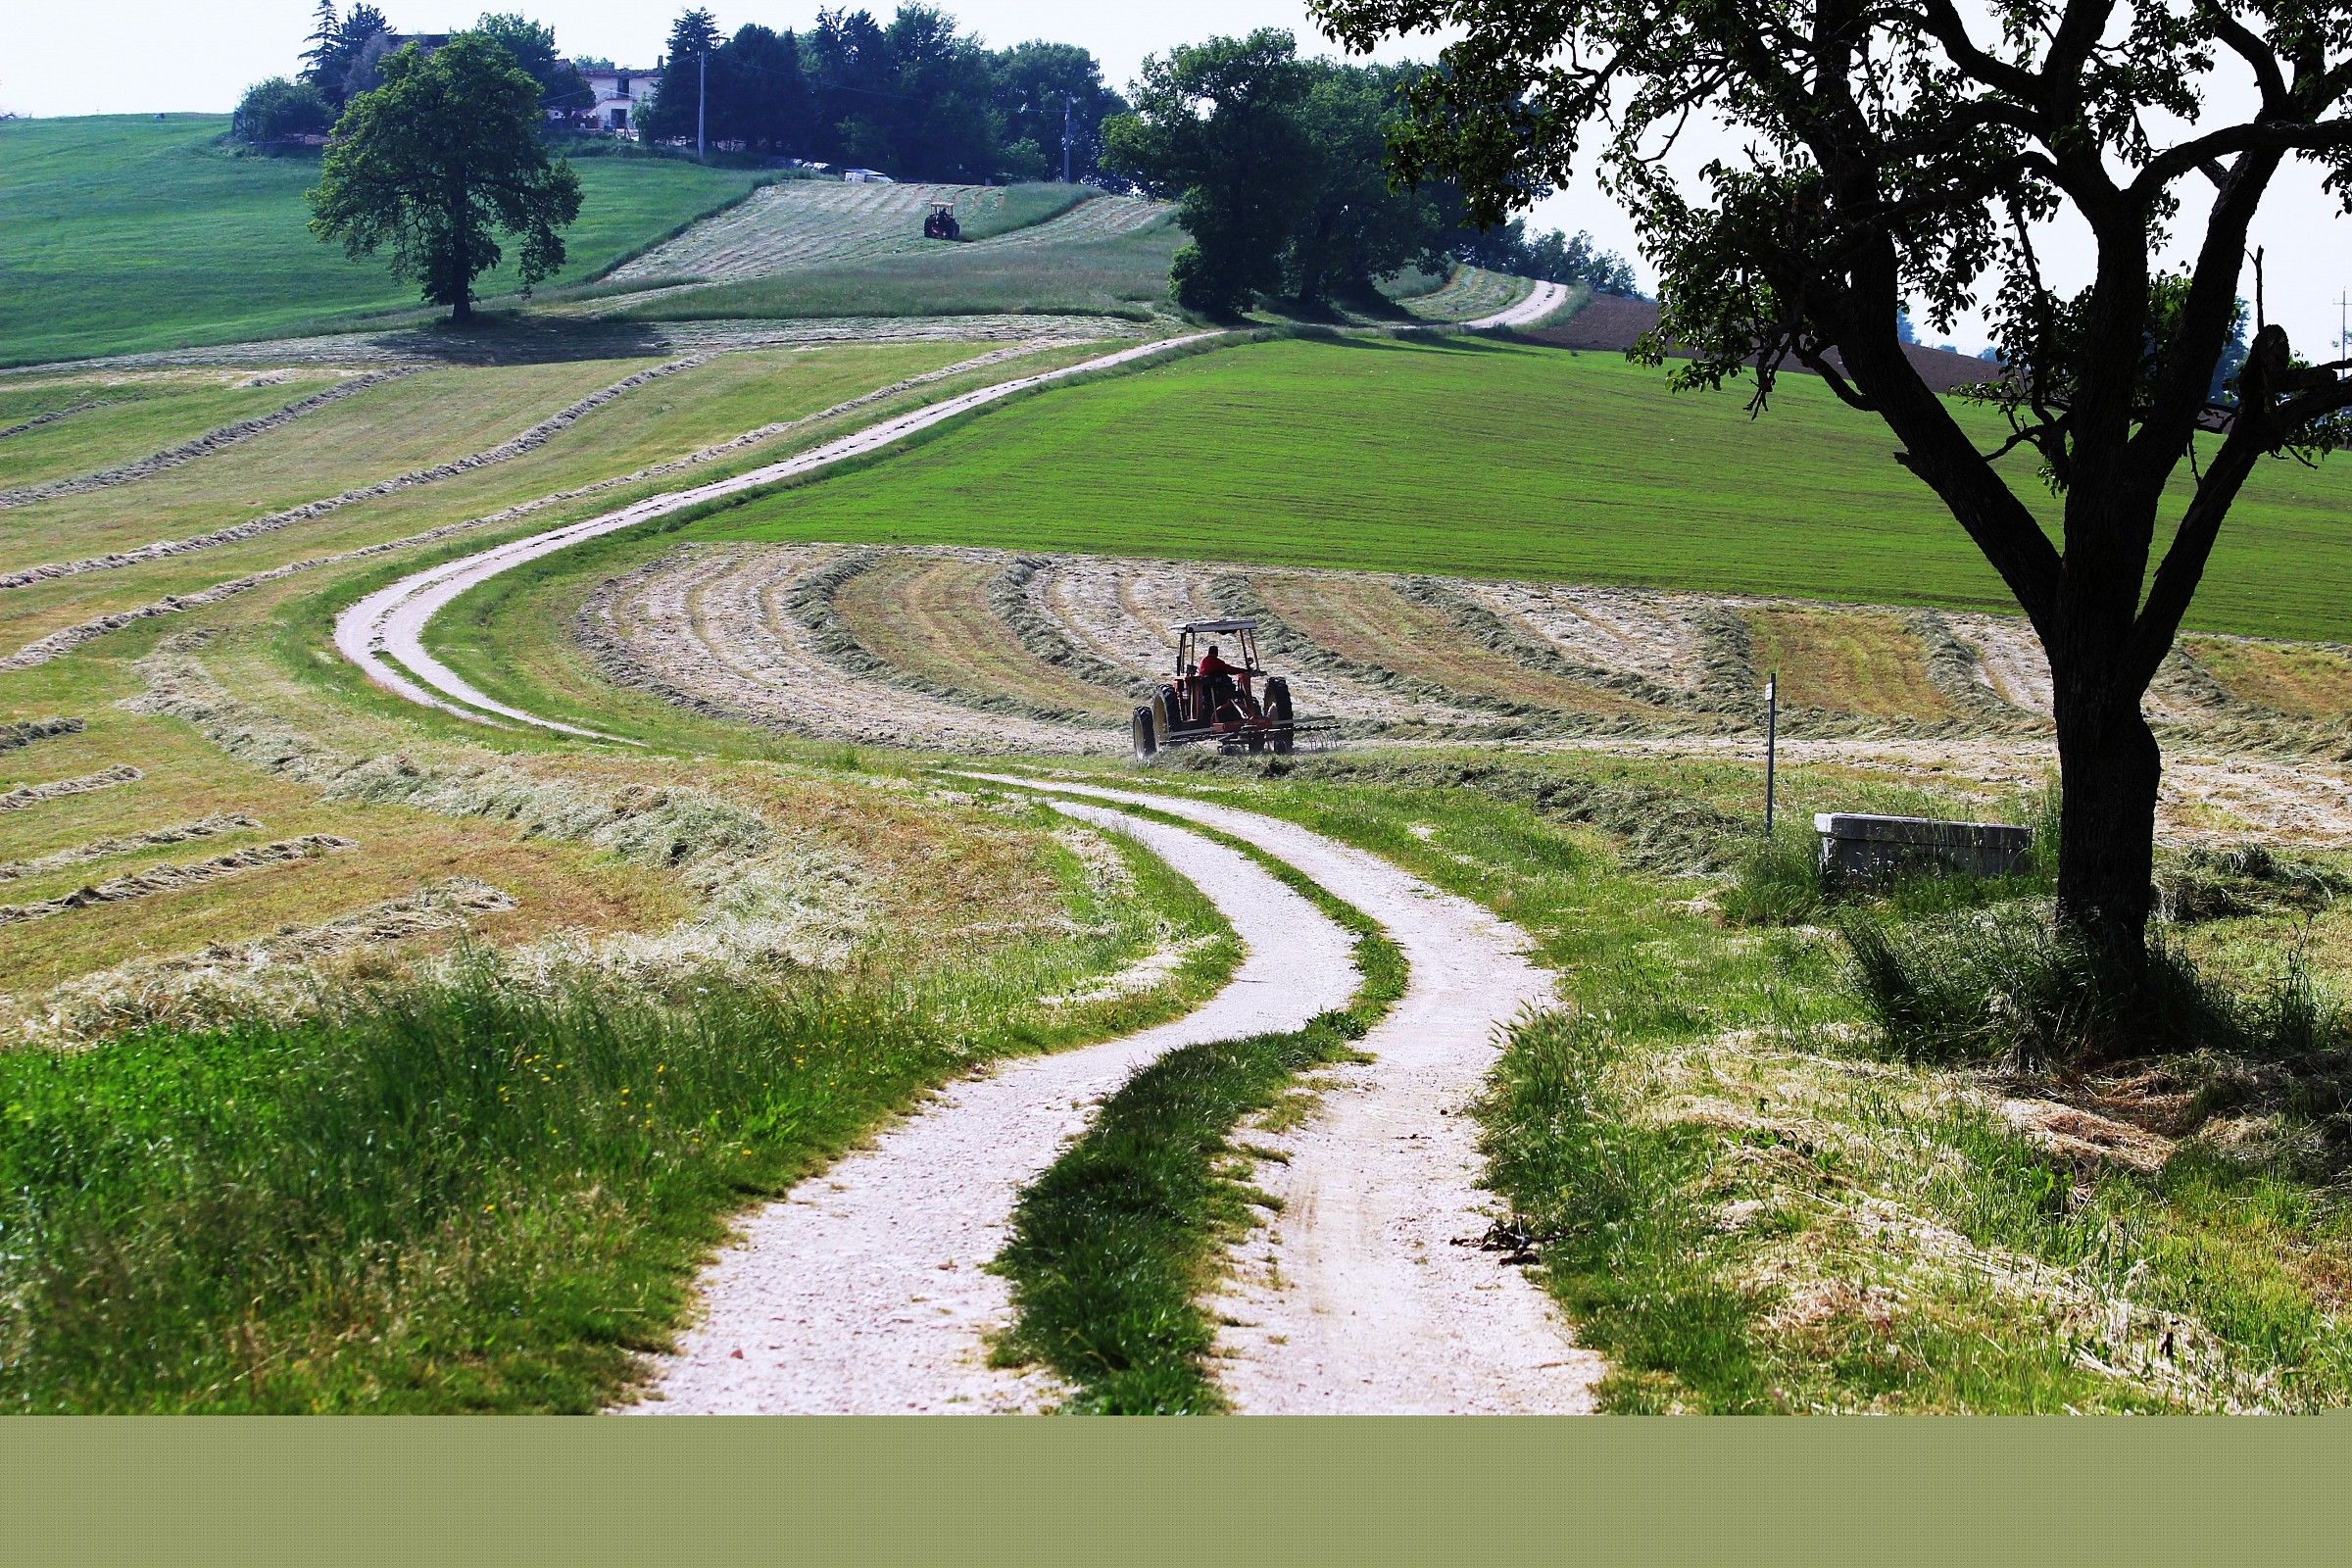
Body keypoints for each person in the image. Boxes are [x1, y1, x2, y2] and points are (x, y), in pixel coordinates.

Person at [1197, 643, 1260, 720]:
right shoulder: (1216, 662)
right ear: (1216, 652)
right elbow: (1229, 669)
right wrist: (1244, 671)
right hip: (1215, 689)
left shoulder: (1203, 661)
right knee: (1234, 691)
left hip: (1207, 690)